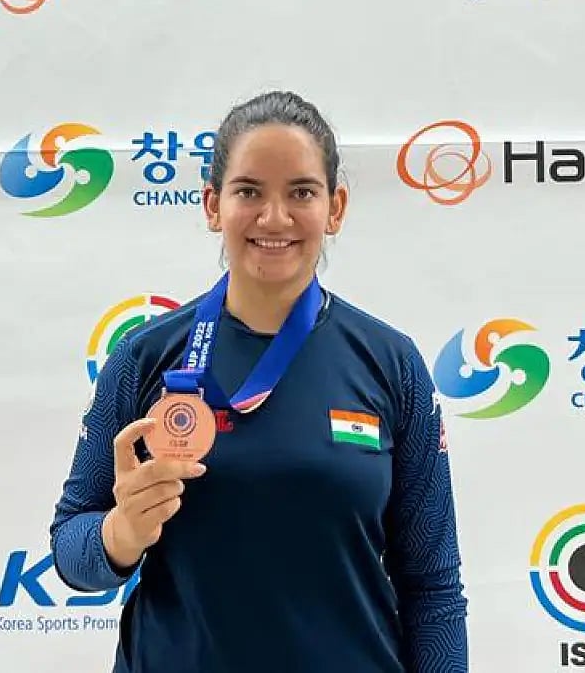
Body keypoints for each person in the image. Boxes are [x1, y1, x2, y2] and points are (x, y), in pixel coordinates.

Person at [49, 90, 469, 673]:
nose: (275, 218)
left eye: (301, 192)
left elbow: (433, 587)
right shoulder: (144, 357)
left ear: (336, 207)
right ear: (212, 205)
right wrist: (120, 535)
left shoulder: (391, 363)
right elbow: (72, 551)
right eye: (248, 191)